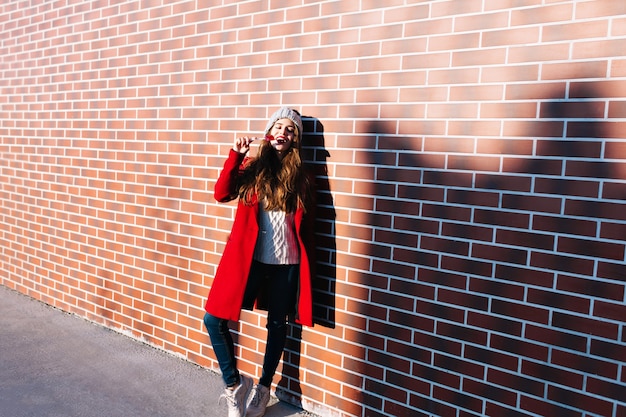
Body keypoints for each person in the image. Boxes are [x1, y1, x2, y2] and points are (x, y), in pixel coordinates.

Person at [203, 107, 316, 417]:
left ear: (295, 140)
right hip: (251, 260)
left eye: (290, 130)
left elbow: (307, 226)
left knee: (277, 325)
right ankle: (234, 385)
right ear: (270, 133)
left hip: (287, 262)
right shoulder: (253, 167)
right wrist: (236, 156)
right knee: (213, 319)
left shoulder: (302, 176)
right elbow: (221, 194)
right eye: (279, 126)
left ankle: (263, 388)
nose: (284, 132)